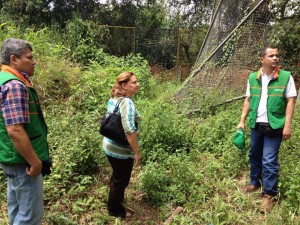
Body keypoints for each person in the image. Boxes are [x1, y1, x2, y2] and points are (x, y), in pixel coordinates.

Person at [237, 46, 297, 212]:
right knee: (254, 154)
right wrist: (242, 121)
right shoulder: (253, 77)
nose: (275, 58)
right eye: (271, 55)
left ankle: (268, 194)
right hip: (256, 123)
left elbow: (291, 101)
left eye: (277, 55)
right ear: (262, 59)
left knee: (269, 160)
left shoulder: (285, 77)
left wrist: (287, 125)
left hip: (275, 124)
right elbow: (248, 100)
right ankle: (254, 182)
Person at [0, 38, 50, 224]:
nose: (34, 61)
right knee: (29, 216)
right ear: (14, 59)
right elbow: (15, 130)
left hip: (11, 159)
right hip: (23, 162)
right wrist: (35, 162)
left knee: (16, 208)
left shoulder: (3, 79)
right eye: (29, 57)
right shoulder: (14, 86)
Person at [102, 71, 141, 218]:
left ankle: (114, 199)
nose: (137, 85)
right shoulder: (127, 103)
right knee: (121, 180)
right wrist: (136, 152)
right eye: (134, 82)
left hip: (108, 145)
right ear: (124, 85)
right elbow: (129, 130)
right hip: (120, 151)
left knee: (117, 176)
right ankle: (114, 210)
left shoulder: (115, 98)